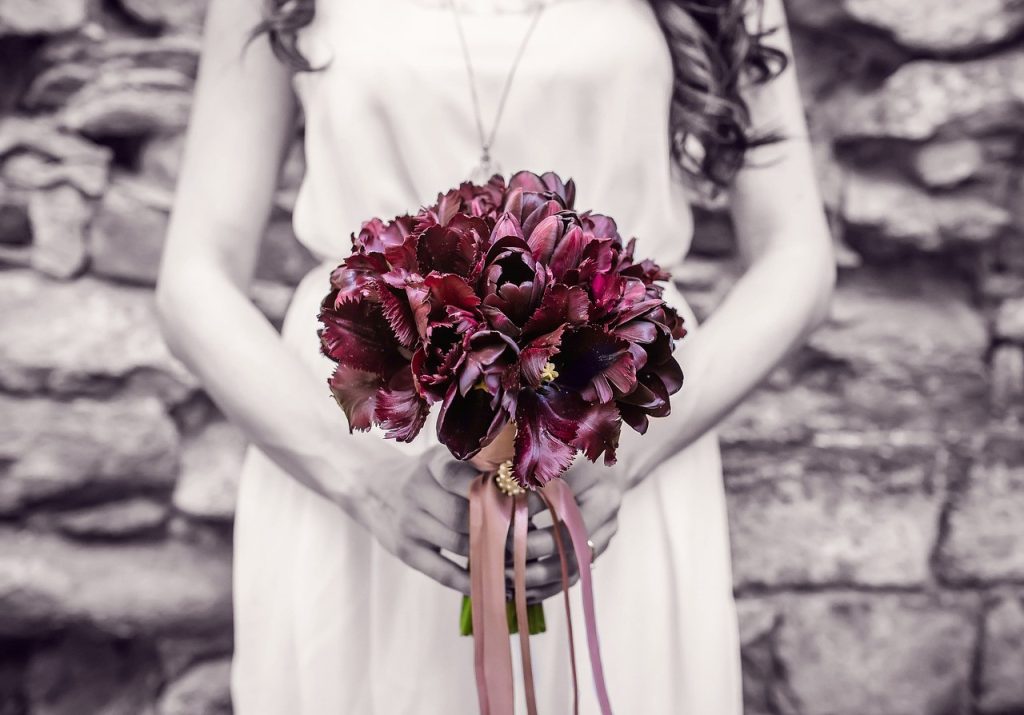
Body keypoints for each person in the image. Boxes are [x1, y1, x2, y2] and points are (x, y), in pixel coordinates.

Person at [155, 0, 835, 711]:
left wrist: (631, 454)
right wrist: (366, 480)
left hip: (616, 438)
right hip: (356, 448)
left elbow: (798, 259)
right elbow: (193, 280)